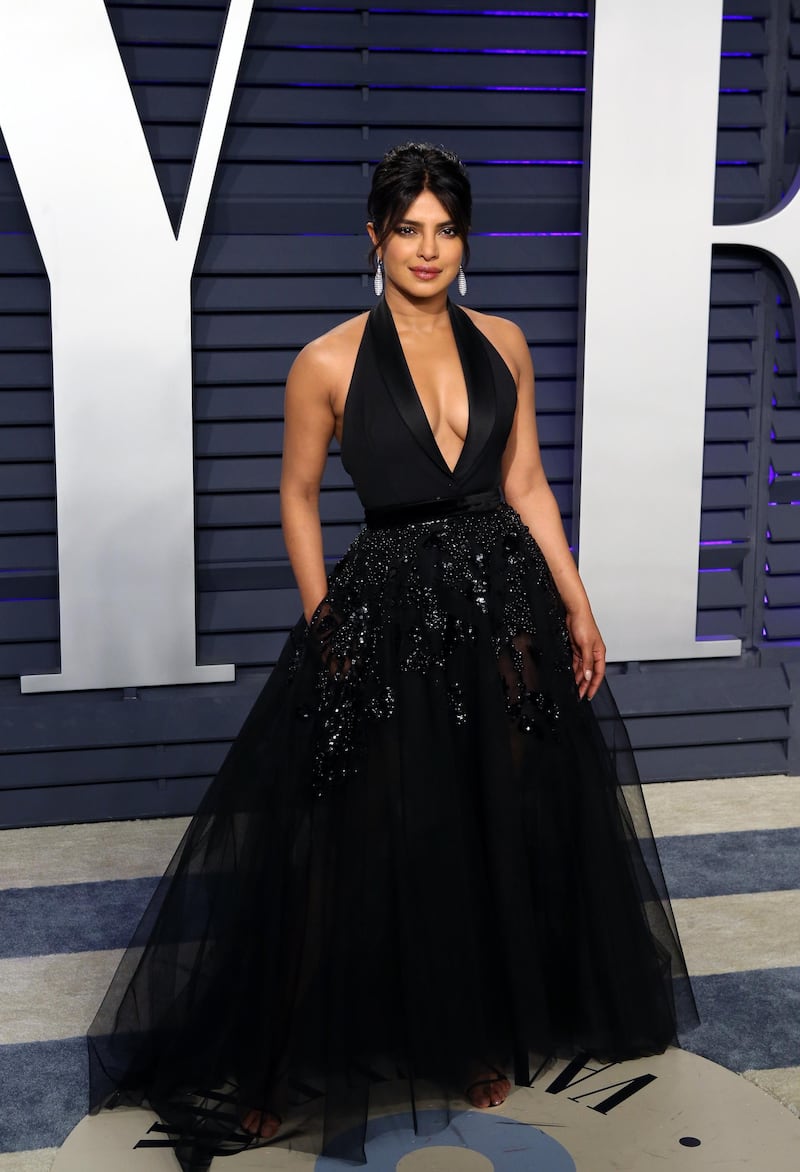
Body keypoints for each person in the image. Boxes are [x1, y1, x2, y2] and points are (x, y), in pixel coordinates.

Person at [88, 143, 697, 1170]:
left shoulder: (503, 340)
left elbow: (529, 483)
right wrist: (326, 619)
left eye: (445, 228)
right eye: (407, 227)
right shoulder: (326, 360)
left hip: (502, 608)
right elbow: (293, 493)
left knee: (485, 821)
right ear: (374, 237)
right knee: (350, 836)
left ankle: (465, 1038)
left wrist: (578, 605)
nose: (427, 248)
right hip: (386, 613)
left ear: (463, 239)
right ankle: (281, 1066)